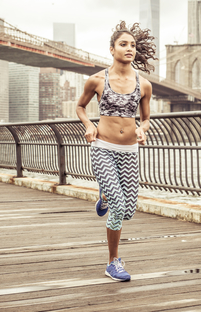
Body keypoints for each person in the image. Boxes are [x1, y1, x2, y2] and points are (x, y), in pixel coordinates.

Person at [76, 21, 156, 282]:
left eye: (132, 45)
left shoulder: (144, 85)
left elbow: (145, 119)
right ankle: (113, 262)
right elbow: (80, 107)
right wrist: (89, 124)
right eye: (123, 44)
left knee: (129, 209)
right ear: (112, 49)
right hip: (103, 149)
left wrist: (142, 129)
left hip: (130, 151)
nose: (129, 48)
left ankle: (106, 196)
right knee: (120, 207)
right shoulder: (97, 80)